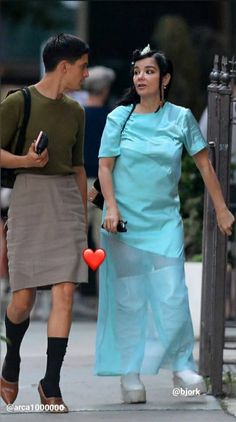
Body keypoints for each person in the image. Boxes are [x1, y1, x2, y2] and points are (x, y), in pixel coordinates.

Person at [95, 44, 235, 403]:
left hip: (164, 221)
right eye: (137, 71)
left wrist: (221, 209)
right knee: (129, 300)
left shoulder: (181, 118)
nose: (141, 77)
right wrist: (110, 207)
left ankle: (181, 365)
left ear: (165, 78)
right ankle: (130, 374)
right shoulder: (119, 118)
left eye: (149, 71)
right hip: (123, 223)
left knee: (172, 293)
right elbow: (105, 168)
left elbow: (205, 166)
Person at [0, 33, 89, 413]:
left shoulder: (76, 111)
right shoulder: (17, 102)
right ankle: (12, 357)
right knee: (23, 299)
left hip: (66, 199)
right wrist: (27, 162)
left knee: (64, 292)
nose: (86, 74)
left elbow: (80, 164)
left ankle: (51, 385)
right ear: (64, 65)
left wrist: (83, 216)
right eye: (83, 67)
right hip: (29, 197)